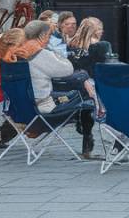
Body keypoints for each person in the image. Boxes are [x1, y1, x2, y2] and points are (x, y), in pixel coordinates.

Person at [22, 19, 96, 157]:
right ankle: (87, 143)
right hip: (43, 112)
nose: (49, 39)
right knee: (85, 94)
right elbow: (68, 69)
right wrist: (56, 55)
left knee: (79, 80)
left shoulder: (15, 54)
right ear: (42, 36)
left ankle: (83, 127)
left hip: (19, 111)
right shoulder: (41, 54)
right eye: (49, 36)